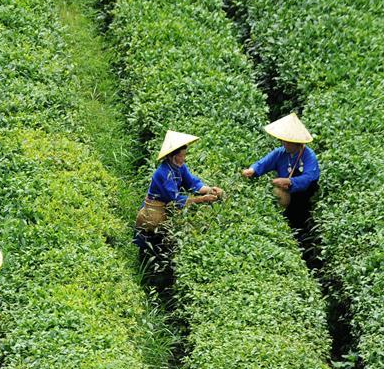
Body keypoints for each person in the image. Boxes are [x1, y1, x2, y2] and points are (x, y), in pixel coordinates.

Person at [134, 130, 223, 289]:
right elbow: (174, 199)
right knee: (150, 248)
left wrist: (210, 190)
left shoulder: (180, 167)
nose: (184, 158)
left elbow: (192, 183)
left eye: (184, 155)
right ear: (171, 156)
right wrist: (201, 200)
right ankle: (146, 283)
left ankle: (160, 283)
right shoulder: (163, 173)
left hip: (166, 212)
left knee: (163, 249)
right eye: (181, 156)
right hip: (154, 213)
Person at [242, 113, 320, 237]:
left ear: (297, 142)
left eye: (289, 142)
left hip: (303, 197)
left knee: (300, 221)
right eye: (284, 141)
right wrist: (252, 170)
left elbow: (309, 177)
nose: (285, 144)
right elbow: (264, 163)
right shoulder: (280, 153)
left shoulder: (308, 156)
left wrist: (290, 182)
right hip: (287, 197)